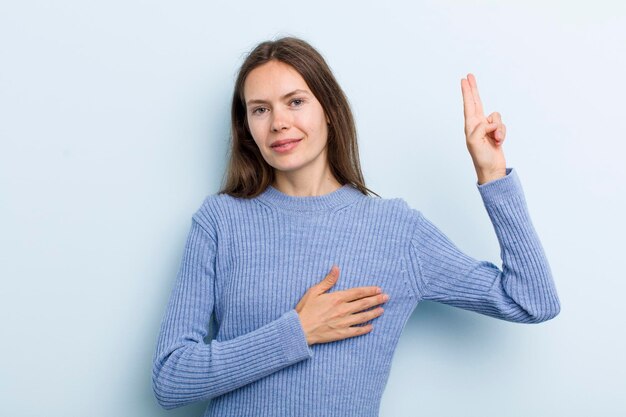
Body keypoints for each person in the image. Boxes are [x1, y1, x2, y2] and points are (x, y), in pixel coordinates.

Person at [151, 37, 560, 416]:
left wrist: (492, 174)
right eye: (260, 109)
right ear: (247, 128)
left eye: (295, 101)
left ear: (328, 109)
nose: (278, 122)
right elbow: (170, 378)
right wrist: (297, 332)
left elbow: (531, 301)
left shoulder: (396, 230)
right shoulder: (220, 221)